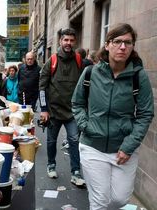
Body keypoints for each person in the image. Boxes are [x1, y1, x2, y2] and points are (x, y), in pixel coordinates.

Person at [72, 23, 154, 210]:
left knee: (119, 200)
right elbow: (77, 103)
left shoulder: (138, 76)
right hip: (92, 146)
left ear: (133, 47)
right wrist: (86, 126)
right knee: (100, 201)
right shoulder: (90, 72)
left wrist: (129, 145)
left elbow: (145, 113)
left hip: (123, 149)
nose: (123, 47)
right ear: (107, 45)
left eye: (128, 42)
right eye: (117, 41)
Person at [39, 28, 85, 186]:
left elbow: (84, 85)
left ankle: (76, 172)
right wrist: (44, 109)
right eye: (66, 40)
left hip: (73, 111)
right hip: (53, 111)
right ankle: (51, 165)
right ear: (60, 41)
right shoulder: (51, 61)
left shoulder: (79, 61)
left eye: (71, 40)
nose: (68, 43)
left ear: (75, 42)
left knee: (74, 140)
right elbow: (42, 87)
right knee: (51, 141)